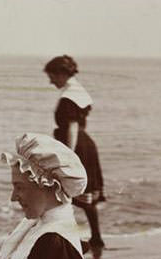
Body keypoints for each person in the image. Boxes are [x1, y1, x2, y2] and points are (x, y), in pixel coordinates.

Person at [44, 55, 106, 249]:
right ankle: (95, 238)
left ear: (62, 74)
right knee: (80, 194)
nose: (50, 80)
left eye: (52, 76)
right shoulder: (77, 91)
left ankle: (68, 237)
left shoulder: (68, 98)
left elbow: (71, 126)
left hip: (76, 144)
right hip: (85, 144)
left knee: (65, 191)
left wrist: (68, 155)